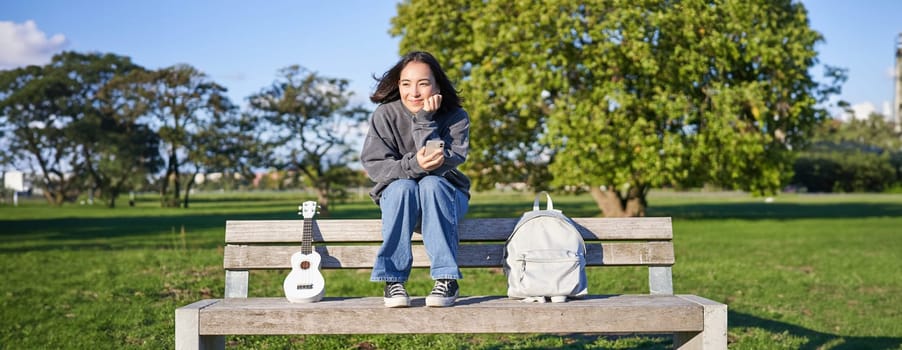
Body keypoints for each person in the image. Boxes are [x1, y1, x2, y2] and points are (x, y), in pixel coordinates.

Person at [360, 51, 471, 308]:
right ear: (397, 85)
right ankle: (393, 280)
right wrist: (412, 166)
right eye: (406, 84)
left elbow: (438, 162)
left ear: (437, 85)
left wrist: (424, 120)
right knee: (402, 187)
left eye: (423, 83)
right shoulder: (385, 114)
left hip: (445, 199)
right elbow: (376, 167)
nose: (414, 92)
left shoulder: (456, 116)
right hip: (400, 202)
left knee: (431, 183)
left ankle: (446, 278)